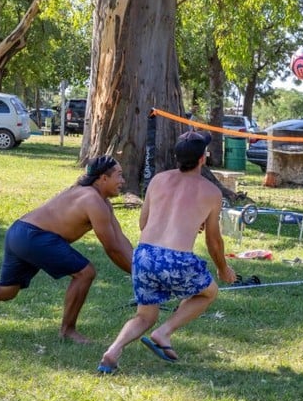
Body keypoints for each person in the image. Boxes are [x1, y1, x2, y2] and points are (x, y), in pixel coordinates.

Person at [0, 155, 134, 344]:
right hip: (34, 236)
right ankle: (68, 330)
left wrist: (141, 266)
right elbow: (112, 248)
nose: (123, 181)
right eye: (119, 175)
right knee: (85, 273)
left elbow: (120, 239)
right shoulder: (92, 200)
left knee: (5, 291)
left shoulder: (99, 201)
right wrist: (139, 275)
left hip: (20, 232)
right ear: (102, 178)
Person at [97, 130, 236, 374]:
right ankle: (164, 332)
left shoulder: (158, 180)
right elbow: (214, 241)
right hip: (176, 259)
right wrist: (223, 268)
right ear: (203, 158)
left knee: (145, 315)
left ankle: (113, 350)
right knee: (208, 293)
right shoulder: (211, 192)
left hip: (143, 255)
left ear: (177, 157)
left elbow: (143, 223)